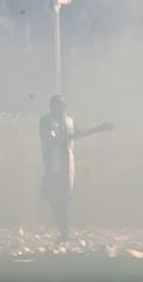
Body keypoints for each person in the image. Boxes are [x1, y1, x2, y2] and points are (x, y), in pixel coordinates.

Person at [39, 96, 114, 242]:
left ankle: (65, 232)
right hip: (53, 166)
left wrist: (98, 129)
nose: (60, 109)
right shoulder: (46, 121)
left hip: (67, 165)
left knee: (62, 199)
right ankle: (63, 230)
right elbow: (52, 139)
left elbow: (78, 133)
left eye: (62, 106)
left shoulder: (69, 121)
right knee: (53, 199)